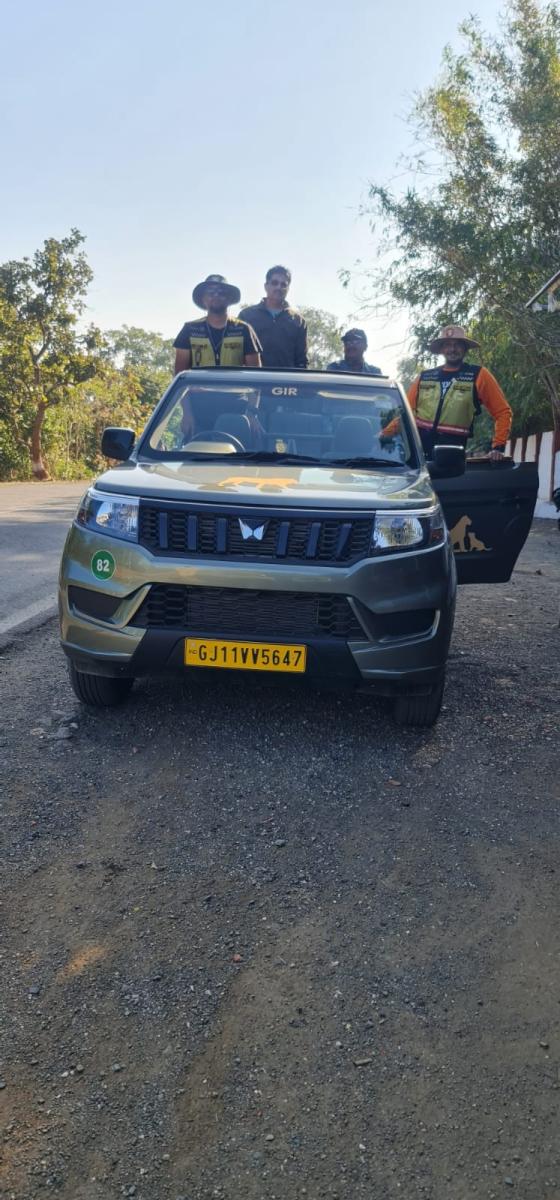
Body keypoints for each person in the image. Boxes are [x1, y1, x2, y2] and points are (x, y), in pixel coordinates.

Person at [399, 324, 512, 459]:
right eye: (447, 344)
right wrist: (383, 436)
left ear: (465, 348)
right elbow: (404, 413)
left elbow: (503, 412)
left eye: (457, 344)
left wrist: (498, 447)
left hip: (452, 456)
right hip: (418, 455)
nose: (452, 349)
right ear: (442, 349)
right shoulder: (424, 376)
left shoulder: (478, 375)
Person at [173, 275, 262, 373]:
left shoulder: (244, 329)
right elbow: (180, 374)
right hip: (200, 384)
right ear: (203, 299)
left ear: (229, 299)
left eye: (221, 292)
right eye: (210, 293)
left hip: (233, 383)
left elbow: (255, 373)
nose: (216, 295)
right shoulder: (189, 329)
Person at [239, 266, 308, 368]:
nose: (279, 287)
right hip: (254, 377)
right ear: (266, 286)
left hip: (286, 377)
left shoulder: (298, 321)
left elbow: (302, 361)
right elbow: (238, 354)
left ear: (288, 289)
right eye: (274, 283)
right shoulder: (246, 316)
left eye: (283, 284)